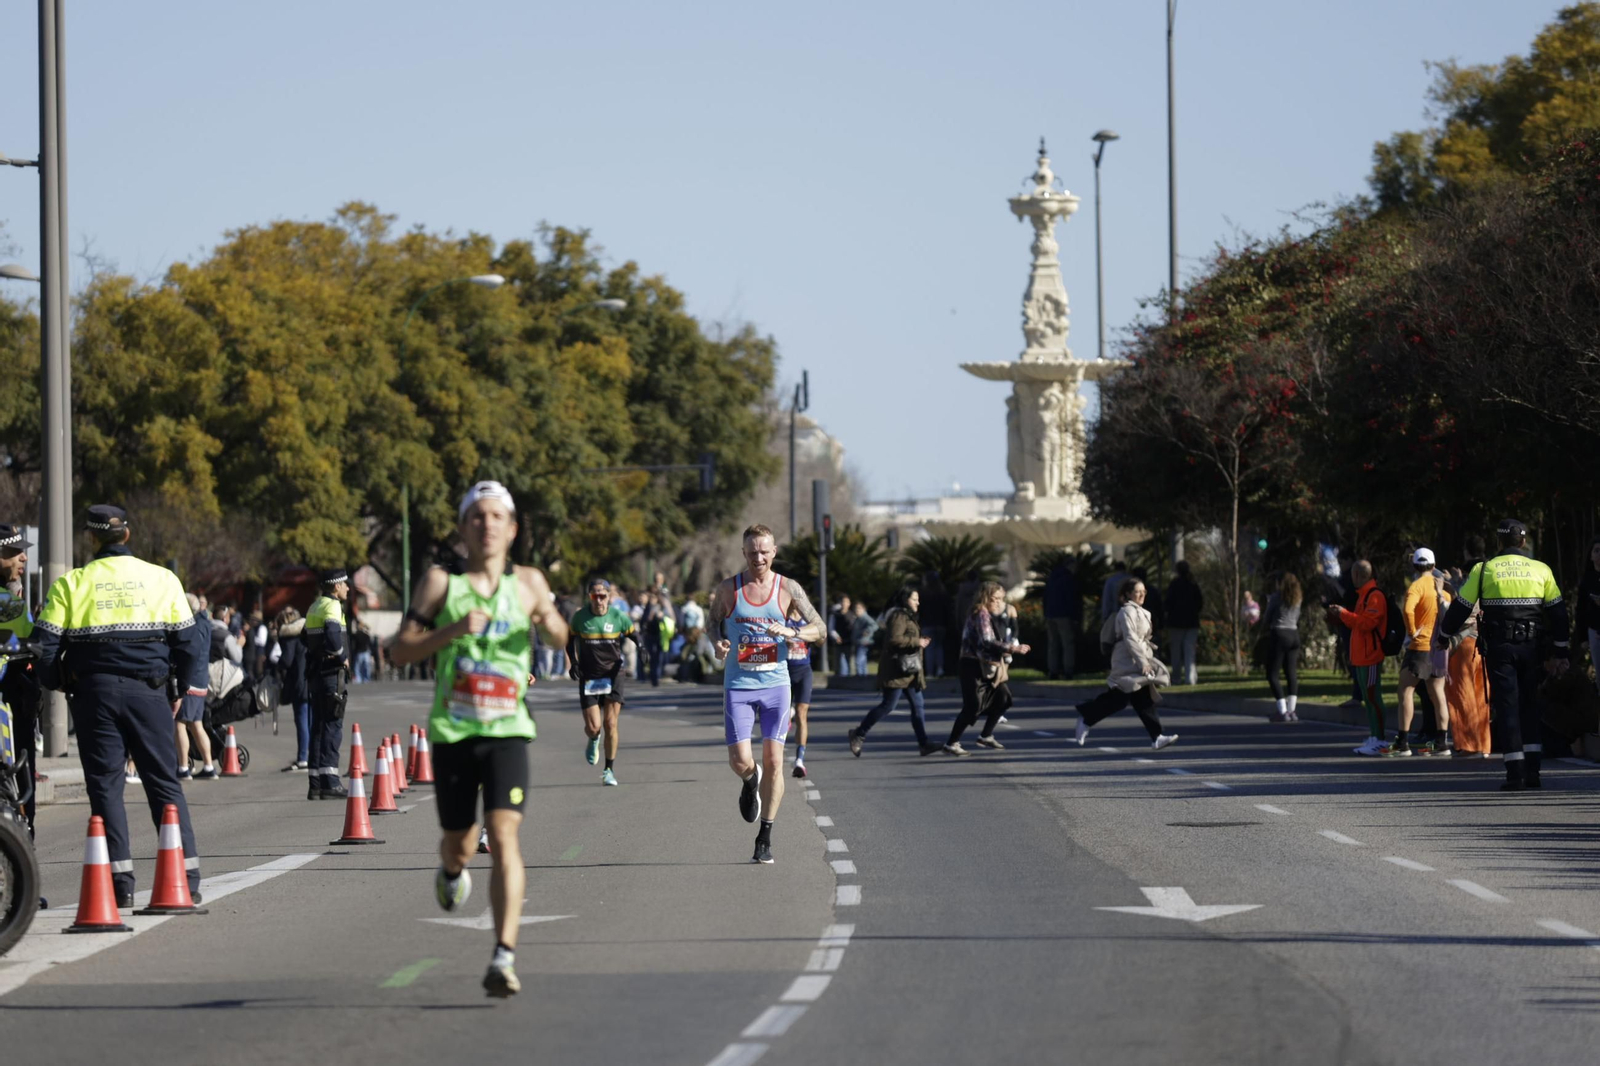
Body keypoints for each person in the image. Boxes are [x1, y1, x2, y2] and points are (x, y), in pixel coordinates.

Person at [390, 480, 569, 997]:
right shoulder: (440, 584)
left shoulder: (530, 582)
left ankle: (503, 955)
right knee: (461, 844)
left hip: (508, 730)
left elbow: (561, 634)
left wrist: (551, 622)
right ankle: (450, 871)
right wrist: (452, 631)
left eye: (497, 517)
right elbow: (399, 651)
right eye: (477, 516)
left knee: (504, 834)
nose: (487, 525)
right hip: (453, 732)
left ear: (511, 530)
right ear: (465, 526)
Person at [35, 504, 208, 907]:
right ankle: (186, 877)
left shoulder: (71, 584)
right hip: (149, 693)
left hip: (93, 696)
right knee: (164, 784)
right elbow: (190, 645)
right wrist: (179, 687)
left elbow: (44, 652)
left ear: (91, 538)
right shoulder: (162, 579)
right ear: (126, 535)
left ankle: (119, 886)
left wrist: (63, 682)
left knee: (106, 789)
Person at [708, 524, 824, 865]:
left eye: (764, 551)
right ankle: (749, 779)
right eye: (752, 551)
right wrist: (717, 641)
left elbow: (820, 628)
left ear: (773, 552)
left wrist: (792, 630)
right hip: (739, 686)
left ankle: (765, 837)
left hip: (776, 686)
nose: (758, 557)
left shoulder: (788, 588)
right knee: (740, 761)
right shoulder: (730, 588)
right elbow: (712, 621)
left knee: (775, 761)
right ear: (743, 553)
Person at [1440, 518, 1569, 790]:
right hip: (1533, 647)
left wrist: (1443, 635)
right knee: (1530, 705)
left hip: (1500, 648)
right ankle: (1534, 772)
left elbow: (1461, 607)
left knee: (1508, 706)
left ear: (1499, 541)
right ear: (1522, 541)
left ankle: (1514, 773)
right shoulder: (1541, 569)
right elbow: (1558, 613)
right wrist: (1561, 649)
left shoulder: (1484, 568)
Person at [1074, 579, 1179, 749]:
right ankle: (1086, 716)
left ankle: (1156, 736)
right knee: (1119, 698)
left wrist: (1147, 659)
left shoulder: (1144, 612)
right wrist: (1143, 662)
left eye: (1144, 591)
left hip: (1138, 658)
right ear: (1128, 594)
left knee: (1143, 699)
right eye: (1137, 591)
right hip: (1126, 660)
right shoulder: (1125, 612)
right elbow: (1130, 638)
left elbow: (1142, 638)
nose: (1142, 594)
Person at [848, 585, 940, 757]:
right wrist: (917, 641)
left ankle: (924, 743)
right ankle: (858, 734)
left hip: (910, 670)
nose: (918, 603)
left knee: (918, 706)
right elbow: (894, 639)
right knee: (888, 705)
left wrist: (917, 641)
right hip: (896, 670)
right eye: (915, 599)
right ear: (906, 600)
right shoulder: (898, 616)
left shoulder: (907, 616)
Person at [942, 582, 1029, 755]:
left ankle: (986, 735)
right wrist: (1012, 648)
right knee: (972, 705)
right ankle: (952, 743)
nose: (998, 602)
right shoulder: (980, 613)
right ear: (985, 597)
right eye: (994, 598)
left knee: (1004, 698)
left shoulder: (987, 613)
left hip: (987, 665)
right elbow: (986, 641)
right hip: (972, 665)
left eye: (1000, 599)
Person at [566, 578, 638, 786]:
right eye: (594, 596)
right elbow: (570, 641)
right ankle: (593, 738)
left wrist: (641, 648)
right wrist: (574, 664)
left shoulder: (618, 616)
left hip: (614, 674)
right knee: (594, 727)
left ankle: (608, 770)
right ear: (589, 597)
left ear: (608, 596)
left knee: (611, 723)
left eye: (602, 595)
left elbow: (634, 635)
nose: (599, 600)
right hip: (589, 675)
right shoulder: (580, 618)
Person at [1385, 548, 1451, 757]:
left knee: (1405, 690)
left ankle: (1402, 743)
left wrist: (1413, 631)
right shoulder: (1441, 588)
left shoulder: (1416, 587)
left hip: (1419, 647)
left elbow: (1407, 609)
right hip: (1438, 648)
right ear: (1433, 566)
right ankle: (1442, 742)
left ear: (1414, 566)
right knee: (1438, 693)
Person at [0, 525, 39, 842]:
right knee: (21, 787)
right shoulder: (9, 603)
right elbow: (30, 645)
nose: (24, 557)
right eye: (14, 552)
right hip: (9, 708)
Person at [1327, 560, 1389, 756]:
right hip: (1362, 656)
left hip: (1371, 655)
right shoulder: (1364, 595)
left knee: (1373, 697)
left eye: (1353, 574)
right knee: (1368, 698)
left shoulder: (1375, 596)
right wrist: (1343, 615)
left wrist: (1344, 614)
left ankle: (1380, 739)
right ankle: (1374, 736)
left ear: (1359, 575)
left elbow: (1366, 623)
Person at [304, 569, 352, 800]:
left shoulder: (314, 606)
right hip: (332, 673)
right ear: (336, 587)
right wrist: (342, 656)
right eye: (345, 584)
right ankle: (331, 782)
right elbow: (334, 635)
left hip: (315, 673)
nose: (348, 588)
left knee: (319, 727)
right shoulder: (333, 606)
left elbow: (305, 637)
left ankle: (315, 783)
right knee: (333, 725)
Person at [173, 610, 219, 782]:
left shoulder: (195, 626)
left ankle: (183, 767)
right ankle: (208, 766)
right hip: (201, 680)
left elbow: (190, 652)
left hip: (191, 681)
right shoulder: (206, 624)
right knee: (196, 725)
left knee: (180, 723)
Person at [273, 607, 309, 772]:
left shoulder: (289, 638)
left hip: (298, 684)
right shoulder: (307, 634)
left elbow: (286, 661)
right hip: (311, 681)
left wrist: (275, 663)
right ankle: (312, 756)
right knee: (311, 721)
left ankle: (303, 757)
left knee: (301, 721)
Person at [1264, 573, 1303, 723]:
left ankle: (1282, 710)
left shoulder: (1277, 597)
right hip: (1294, 633)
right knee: (1291, 672)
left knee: (1272, 673)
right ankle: (1292, 710)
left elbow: (1268, 617)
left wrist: (1269, 603)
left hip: (1279, 633)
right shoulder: (1298, 598)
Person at [785, 598, 816, 777]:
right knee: (783, 715)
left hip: (804, 670)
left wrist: (812, 636)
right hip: (785, 670)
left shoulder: (808, 618)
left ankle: (799, 760)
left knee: (802, 714)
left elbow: (820, 638)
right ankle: (788, 713)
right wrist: (783, 641)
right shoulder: (781, 617)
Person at [1165, 560, 1203, 687]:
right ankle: (1190, 677)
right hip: (1191, 622)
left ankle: (1176, 677)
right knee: (1189, 650)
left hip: (1176, 622)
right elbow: (1200, 603)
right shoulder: (1193, 584)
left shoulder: (1174, 584)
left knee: (1176, 651)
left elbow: (1168, 603)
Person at [1040, 559, 1078, 682]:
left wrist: (1045, 613)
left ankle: (1053, 670)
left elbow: (1045, 597)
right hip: (1063, 615)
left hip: (1050, 615)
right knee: (1067, 643)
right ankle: (1068, 671)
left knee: (1053, 644)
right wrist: (1075, 617)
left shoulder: (1052, 578)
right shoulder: (1068, 579)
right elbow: (1071, 599)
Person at [1575, 535, 1600, 694]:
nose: (1599, 555)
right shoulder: (1586, 580)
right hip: (1594, 631)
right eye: (1596, 551)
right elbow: (1581, 610)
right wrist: (1583, 637)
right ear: (1591, 555)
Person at [919, 570, 950, 678]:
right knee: (939, 647)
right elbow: (947, 610)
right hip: (940, 624)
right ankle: (940, 668)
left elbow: (920, 610)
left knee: (929, 648)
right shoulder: (942, 593)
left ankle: (930, 672)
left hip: (927, 624)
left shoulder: (923, 594)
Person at [850, 601, 878, 677]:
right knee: (862, 661)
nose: (857, 610)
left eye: (859, 608)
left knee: (859, 661)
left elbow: (874, 625)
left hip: (864, 642)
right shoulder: (857, 618)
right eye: (855, 609)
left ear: (864, 609)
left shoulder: (865, 617)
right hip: (859, 642)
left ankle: (860, 676)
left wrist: (867, 631)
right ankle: (864, 676)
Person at [828, 594, 853, 676]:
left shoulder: (852, 615)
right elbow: (831, 628)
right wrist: (836, 637)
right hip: (838, 641)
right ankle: (838, 678)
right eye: (842, 602)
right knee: (837, 661)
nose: (844, 604)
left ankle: (849, 678)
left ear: (849, 603)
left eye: (846, 602)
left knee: (849, 661)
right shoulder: (835, 615)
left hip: (849, 641)